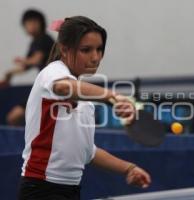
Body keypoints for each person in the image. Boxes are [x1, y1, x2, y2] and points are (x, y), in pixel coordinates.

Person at [18, 16, 151, 200]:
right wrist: (113, 97)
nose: (95, 57)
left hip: (71, 190)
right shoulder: (52, 73)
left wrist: (128, 168)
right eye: (86, 50)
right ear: (65, 49)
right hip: (41, 188)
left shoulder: (86, 103)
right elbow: (64, 87)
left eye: (99, 49)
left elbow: (88, 152)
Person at [0, 9, 54, 126]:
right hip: (43, 88)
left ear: (41, 23)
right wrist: (9, 74)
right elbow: (26, 67)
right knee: (14, 118)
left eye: (35, 22)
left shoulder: (45, 39)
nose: (32, 26)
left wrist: (23, 60)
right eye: (29, 23)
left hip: (52, 88)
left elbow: (36, 59)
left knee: (15, 116)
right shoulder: (34, 43)